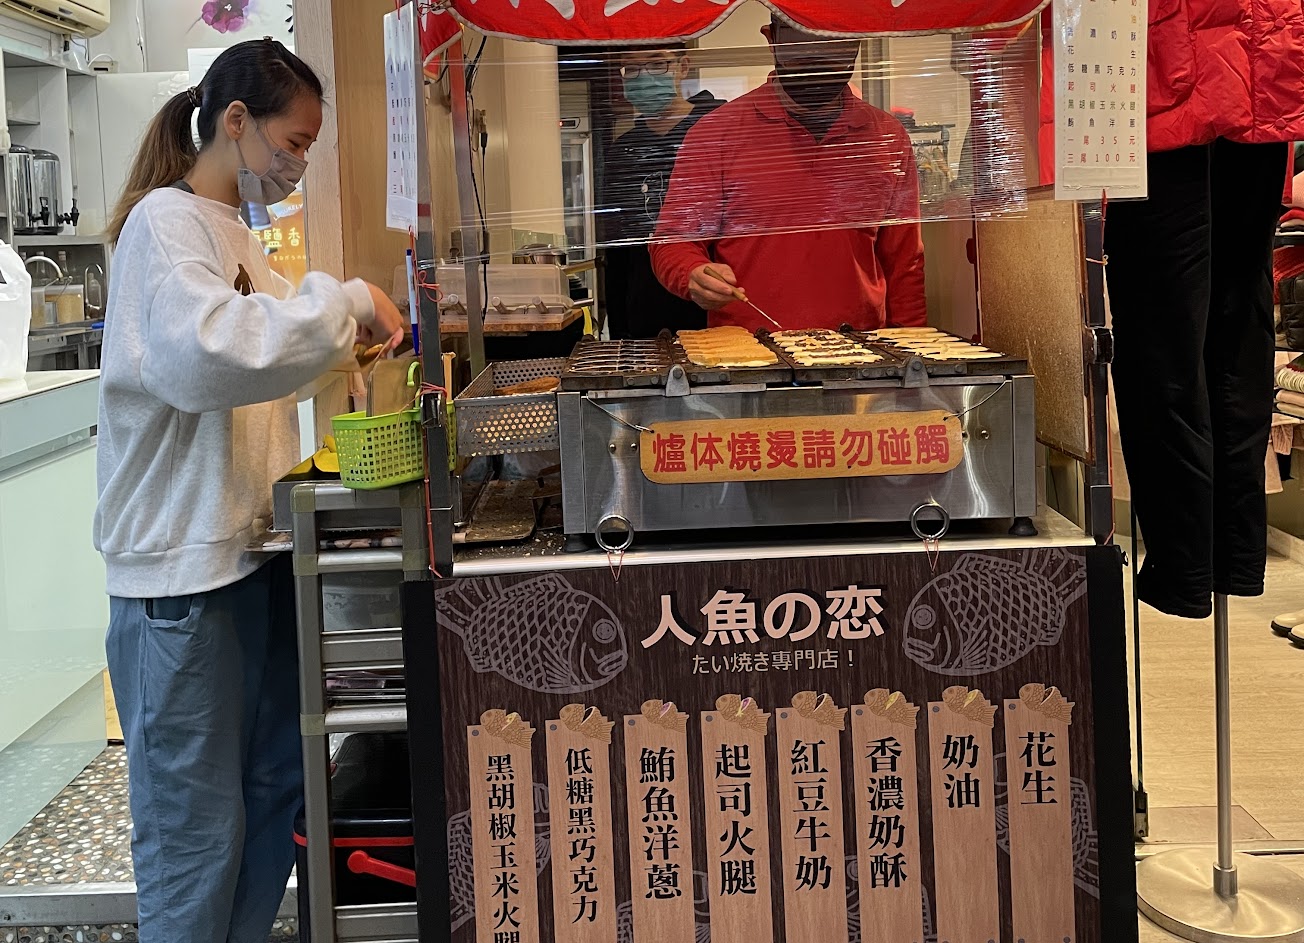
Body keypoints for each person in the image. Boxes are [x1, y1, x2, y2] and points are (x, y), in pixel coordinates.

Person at [94, 39, 404, 943]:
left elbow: (265, 355)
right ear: (236, 122)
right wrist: (347, 299)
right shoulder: (164, 223)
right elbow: (209, 355)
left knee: (268, 798)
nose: (298, 162)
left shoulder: (233, 230)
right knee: (193, 839)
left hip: (244, 560)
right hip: (180, 581)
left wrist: (340, 347)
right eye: (294, 142)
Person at [1103, 3, 1304, 620]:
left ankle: (1185, 566)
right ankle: (1230, 556)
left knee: (1162, 338)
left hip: (1160, 72)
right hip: (1261, 66)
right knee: (1238, 329)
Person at [648, 15, 926, 331]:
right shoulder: (716, 135)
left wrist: (913, 345)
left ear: (857, 42)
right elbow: (673, 241)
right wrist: (693, 272)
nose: (817, 58)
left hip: (860, 348)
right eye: (802, 42)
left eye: (833, 42)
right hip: (750, 350)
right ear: (772, 39)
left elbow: (905, 262)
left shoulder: (886, 137)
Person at [601, 45, 722, 338]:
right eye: (631, 68)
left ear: (683, 67)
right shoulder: (623, 151)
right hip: (645, 317)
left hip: (716, 308)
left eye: (657, 65)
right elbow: (617, 251)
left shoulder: (718, 130)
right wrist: (619, 332)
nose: (644, 77)